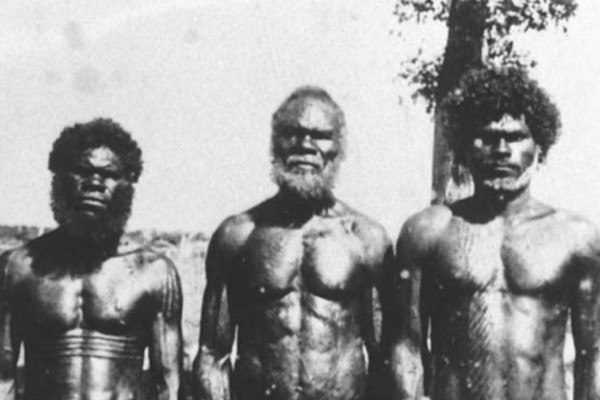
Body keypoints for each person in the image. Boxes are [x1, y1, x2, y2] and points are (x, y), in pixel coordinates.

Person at [390, 67, 600, 400]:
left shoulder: (575, 237)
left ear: (539, 147)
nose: (501, 149)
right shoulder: (427, 233)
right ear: (463, 147)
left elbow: (593, 355)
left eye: (516, 137)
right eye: (487, 137)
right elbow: (406, 346)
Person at [193, 86, 394, 400]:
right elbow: (212, 356)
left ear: (339, 148)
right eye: (292, 133)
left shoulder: (366, 239)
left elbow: (386, 360)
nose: (305, 145)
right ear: (275, 144)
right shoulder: (238, 236)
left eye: (320, 135)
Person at [0, 118, 183, 400]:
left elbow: (168, 384)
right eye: (81, 171)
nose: (94, 183)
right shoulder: (18, 268)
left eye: (108, 174)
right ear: (59, 177)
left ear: (129, 182)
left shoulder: (153, 272)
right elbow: (3, 378)